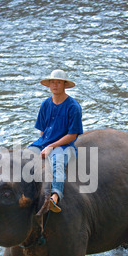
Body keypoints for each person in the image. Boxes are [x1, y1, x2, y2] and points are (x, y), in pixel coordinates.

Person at [30, 69, 83, 213]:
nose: (55, 85)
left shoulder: (73, 107)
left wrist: (52, 146)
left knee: (57, 161)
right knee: (25, 156)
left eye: (58, 82)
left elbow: (73, 135)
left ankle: (54, 196)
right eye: (52, 82)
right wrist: (45, 145)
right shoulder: (45, 104)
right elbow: (42, 131)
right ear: (49, 85)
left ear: (64, 85)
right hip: (43, 142)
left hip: (65, 146)